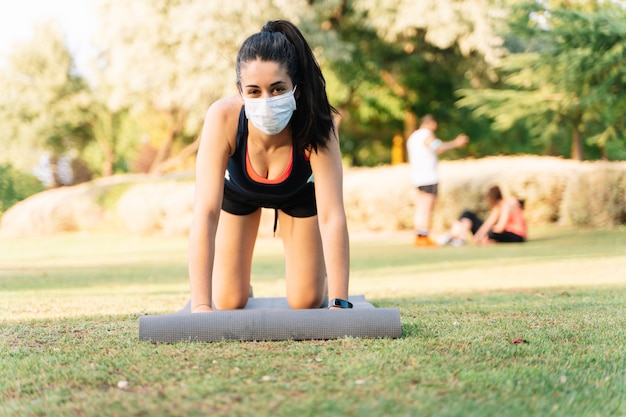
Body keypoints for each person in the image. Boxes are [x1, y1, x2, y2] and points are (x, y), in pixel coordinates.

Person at [188, 20, 350, 313]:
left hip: (298, 196)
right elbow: (206, 213)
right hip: (239, 194)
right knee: (228, 301)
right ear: (240, 92)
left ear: (296, 89)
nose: (266, 100)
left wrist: (339, 301)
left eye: (277, 89)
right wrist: (200, 306)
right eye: (254, 91)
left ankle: (317, 277)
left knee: (306, 301)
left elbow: (332, 215)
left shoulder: (317, 122)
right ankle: (236, 280)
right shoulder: (222, 118)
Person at [406, 114, 468, 247]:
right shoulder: (426, 134)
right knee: (427, 207)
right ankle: (424, 236)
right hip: (428, 176)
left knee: (422, 206)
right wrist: (456, 143)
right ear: (432, 123)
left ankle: (419, 235)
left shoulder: (413, 137)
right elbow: (437, 147)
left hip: (418, 177)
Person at [443, 185, 527, 246]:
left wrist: (486, 235)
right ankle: (456, 237)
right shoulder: (498, 208)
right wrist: (477, 236)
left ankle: (457, 238)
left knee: (491, 233)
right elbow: (488, 224)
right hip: (510, 234)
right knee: (468, 214)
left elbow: (500, 227)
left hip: (517, 235)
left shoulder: (506, 205)